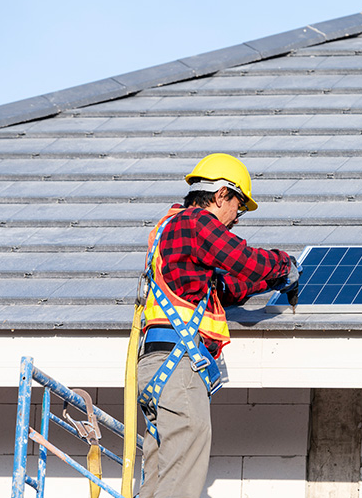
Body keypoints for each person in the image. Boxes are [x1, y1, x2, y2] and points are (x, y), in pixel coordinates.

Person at [136, 153, 299, 498]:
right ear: (222, 194)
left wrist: (268, 284)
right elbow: (243, 259)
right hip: (176, 369)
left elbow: (226, 287)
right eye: (237, 208)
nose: (236, 219)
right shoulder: (195, 222)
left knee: (161, 476)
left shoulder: (176, 233)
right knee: (182, 476)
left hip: (160, 367)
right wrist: (284, 266)